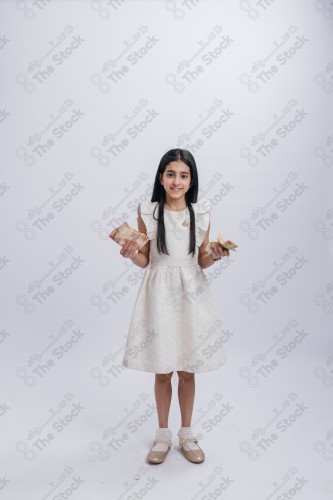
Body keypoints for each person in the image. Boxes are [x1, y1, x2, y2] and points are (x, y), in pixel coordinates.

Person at [111, 148, 229, 465]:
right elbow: (145, 258)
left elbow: (200, 259)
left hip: (191, 294)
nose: (177, 181)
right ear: (161, 178)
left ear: (191, 181)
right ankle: (162, 435)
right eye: (171, 174)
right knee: (163, 370)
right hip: (159, 294)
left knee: (187, 370)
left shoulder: (200, 212)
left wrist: (214, 255)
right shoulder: (149, 211)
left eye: (183, 175)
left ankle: (187, 434)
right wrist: (130, 253)